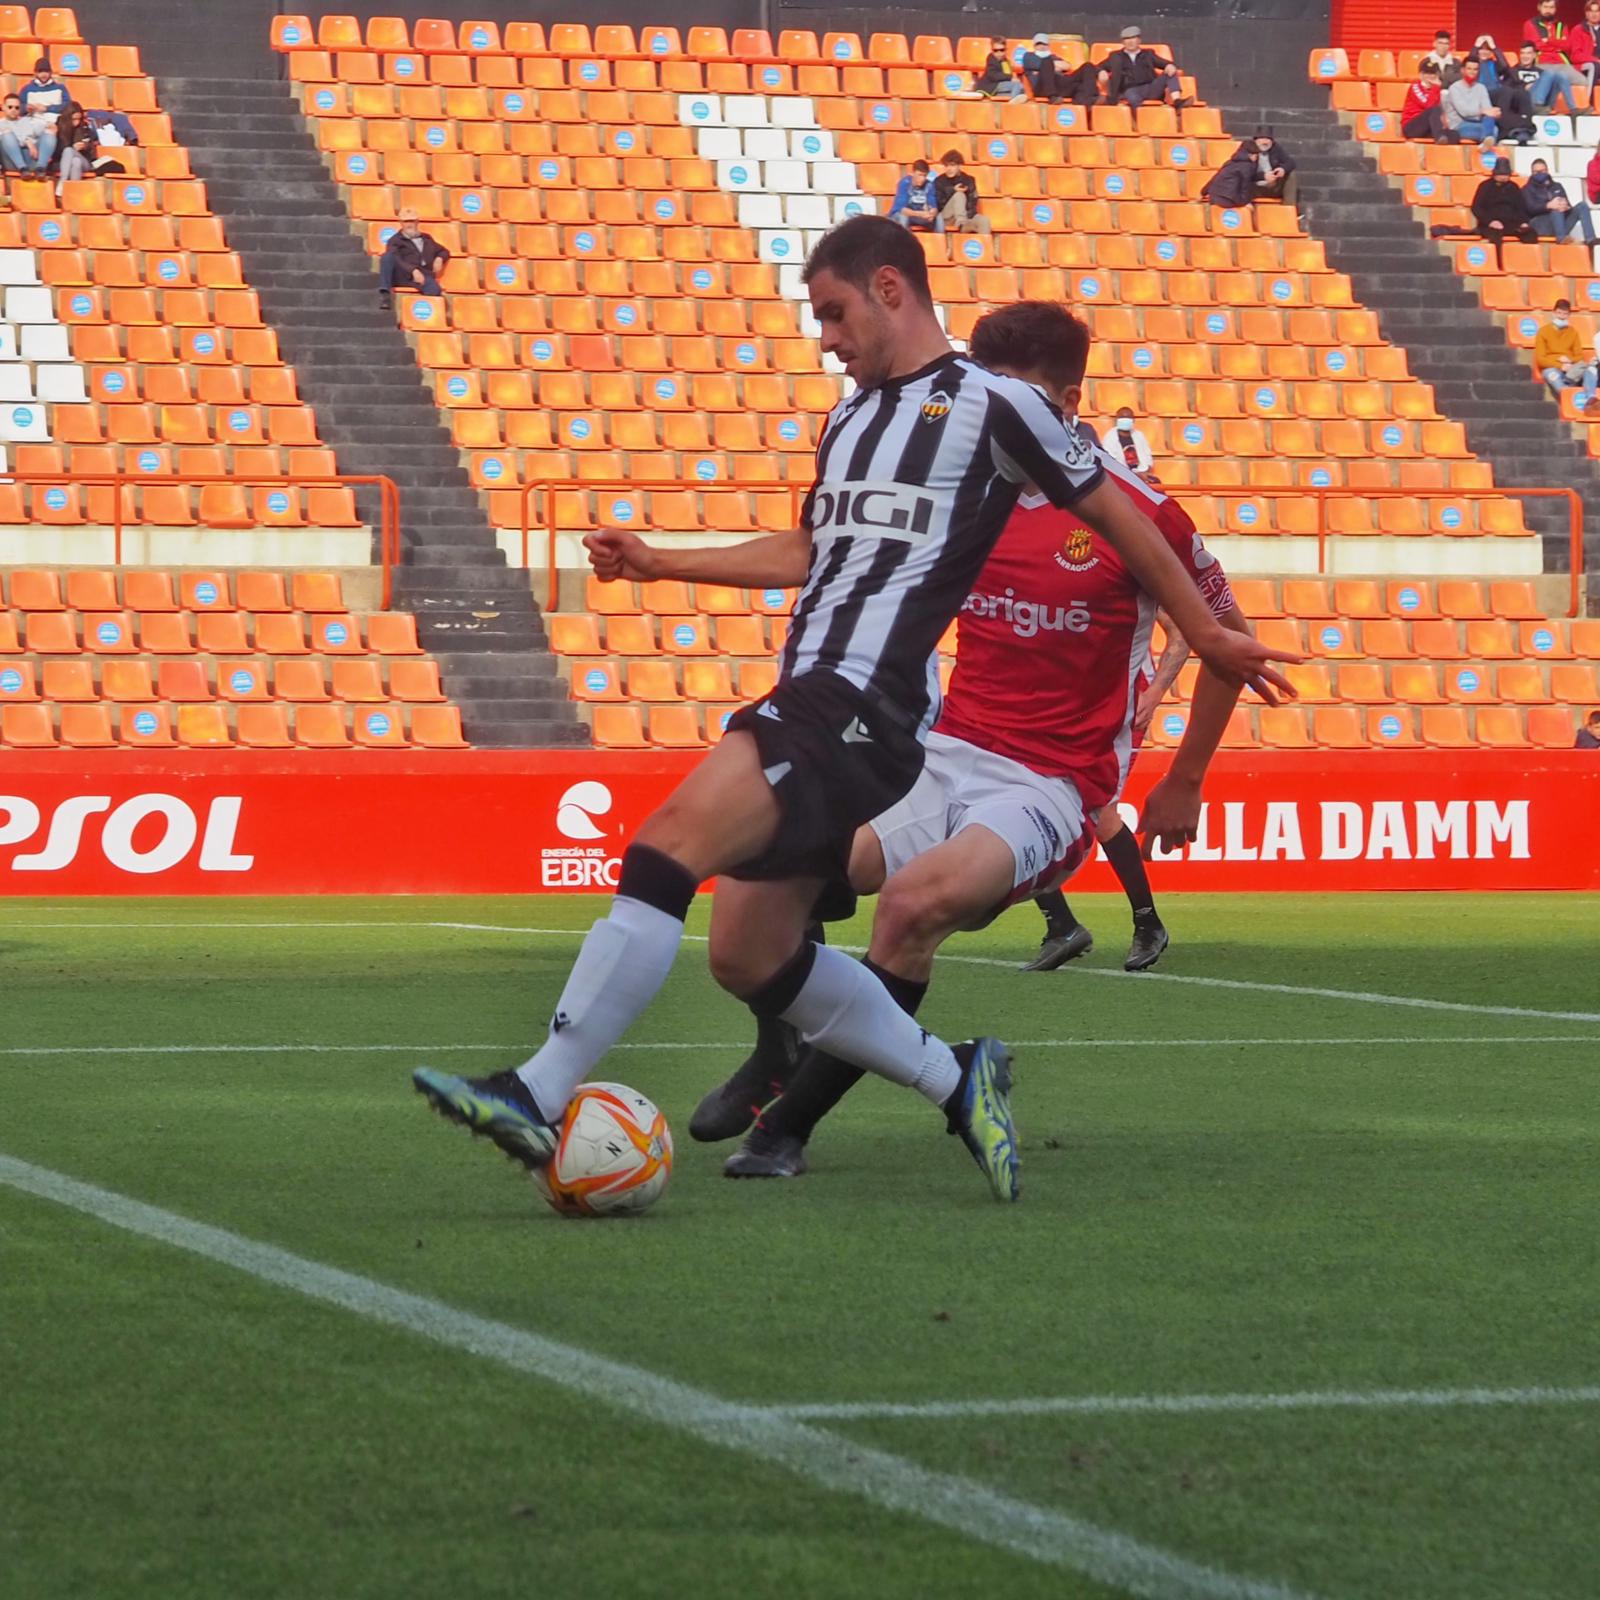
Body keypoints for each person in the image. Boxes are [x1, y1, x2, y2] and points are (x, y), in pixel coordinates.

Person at [410, 216, 1297, 1205]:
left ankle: (542, 1087)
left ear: (890, 290)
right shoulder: (850, 422)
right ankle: (956, 1079)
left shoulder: (996, 407)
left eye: (832, 314)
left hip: (868, 705)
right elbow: (807, 554)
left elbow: (1115, 513)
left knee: (666, 849)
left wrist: (1208, 644)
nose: (825, 338)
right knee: (747, 947)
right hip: (876, 717)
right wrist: (664, 560)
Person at [688, 303, 1254, 1173]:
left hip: (1049, 783)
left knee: (912, 907)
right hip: (938, 748)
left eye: (1023, 403)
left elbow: (1228, 639)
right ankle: (780, 1047)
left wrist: (1186, 779)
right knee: (777, 866)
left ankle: (786, 1128)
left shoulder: (1135, 513)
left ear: (1070, 402)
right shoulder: (954, 490)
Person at [378, 207, 449, 308]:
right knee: (387, 257)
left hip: (424, 274)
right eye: (406, 221)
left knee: (435, 290)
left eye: (411, 221)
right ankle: (385, 295)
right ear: (401, 223)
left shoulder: (426, 238)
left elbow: (444, 251)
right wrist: (412, 270)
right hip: (403, 275)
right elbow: (396, 258)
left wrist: (440, 258)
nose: (409, 224)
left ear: (417, 222)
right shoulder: (395, 240)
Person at [1099, 25, 1184, 109]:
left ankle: (1177, 102)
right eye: (1127, 39)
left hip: (1150, 88)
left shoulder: (1148, 54)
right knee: (1131, 95)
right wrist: (1101, 71)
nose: (1130, 41)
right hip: (1130, 89)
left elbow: (1165, 63)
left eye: (1133, 38)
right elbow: (1098, 67)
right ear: (1123, 42)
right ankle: (1141, 117)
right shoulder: (1115, 56)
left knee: (1170, 72)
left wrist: (1169, 65)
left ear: (1139, 40)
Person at [1472, 156, 1539, 263]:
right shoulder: (1485, 187)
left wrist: (1523, 222)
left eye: (1506, 174)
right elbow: (1476, 208)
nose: (1503, 177)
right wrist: (1490, 221)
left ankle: (1529, 263)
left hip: (1511, 223)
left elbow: (1521, 208)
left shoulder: (1514, 187)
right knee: (1495, 236)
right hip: (1490, 225)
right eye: (1501, 174)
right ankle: (1498, 264)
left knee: (1530, 233)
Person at [1533, 297, 1597, 400]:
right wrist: (1560, 365)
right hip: (1552, 367)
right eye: (1559, 313)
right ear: (1553, 313)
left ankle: (1591, 397)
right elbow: (1541, 359)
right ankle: (1568, 396)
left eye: (1565, 314)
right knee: (1551, 374)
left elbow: (1579, 356)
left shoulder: (1573, 332)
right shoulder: (1543, 331)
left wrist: (1569, 360)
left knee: (1591, 369)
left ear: (1569, 315)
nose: (1562, 317)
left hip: (1570, 367)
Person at [1525, 0, 1587, 101]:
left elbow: (1567, 46)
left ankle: (1579, 108)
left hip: (1561, 63)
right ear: (1539, 7)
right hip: (1541, 63)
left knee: (1583, 81)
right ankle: (1551, 106)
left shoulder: (1561, 25)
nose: (1548, 10)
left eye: (1551, 7)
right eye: (1545, 7)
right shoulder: (1530, 24)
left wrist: (1548, 41)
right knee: (1551, 80)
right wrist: (1558, 43)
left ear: (1555, 9)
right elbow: (1535, 46)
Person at [1525, 160, 1598, 242]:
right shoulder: (1527, 189)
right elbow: (1530, 208)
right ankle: (1561, 238)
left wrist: (1565, 206)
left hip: (1561, 223)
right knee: (1556, 209)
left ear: (1547, 171)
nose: (1539, 174)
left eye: (1542, 171)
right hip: (1541, 225)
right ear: (1531, 172)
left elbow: (1568, 205)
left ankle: (1590, 239)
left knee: (1582, 206)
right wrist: (1548, 205)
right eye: (1536, 172)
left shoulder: (1557, 186)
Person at [1443, 57, 1502, 146]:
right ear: (1463, 70)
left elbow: (1487, 109)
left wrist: (1494, 113)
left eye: (1475, 69)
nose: (1472, 72)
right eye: (1469, 69)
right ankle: (1487, 141)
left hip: (1478, 123)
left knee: (1492, 123)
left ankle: (1486, 142)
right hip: (1460, 125)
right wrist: (1483, 111)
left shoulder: (1481, 87)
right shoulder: (1455, 88)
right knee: (1493, 131)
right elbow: (1464, 112)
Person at [1227, 125, 1296, 200]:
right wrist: (1263, 176)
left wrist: (1283, 169)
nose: (1265, 142)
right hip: (1253, 188)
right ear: (1255, 140)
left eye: (1268, 139)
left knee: (1291, 174)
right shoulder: (1247, 148)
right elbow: (1238, 163)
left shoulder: (1275, 148)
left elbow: (1290, 162)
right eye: (1262, 138)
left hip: (1272, 186)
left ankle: (1289, 208)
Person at [1512, 38, 1578, 114]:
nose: (1525, 56)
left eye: (1528, 53)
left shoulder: (1540, 72)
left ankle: (1573, 109)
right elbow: (1508, 90)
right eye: (1522, 53)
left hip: (1546, 103)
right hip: (1527, 102)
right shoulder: (1513, 71)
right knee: (1549, 72)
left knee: (1561, 75)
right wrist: (1525, 86)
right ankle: (1537, 106)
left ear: (1534, 55)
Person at [931, 149, 990, 235]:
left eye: (952, 165)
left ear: (959, 166)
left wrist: (968, 216)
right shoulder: (939, 181)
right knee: (959, 195)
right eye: (946, 166)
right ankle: (962, 224)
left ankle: (984, 246)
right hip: (947, 217)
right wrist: (953, 190)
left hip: (967, 216)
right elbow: (938, 204)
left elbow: (972, 203)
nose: (949, 169)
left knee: (984, 221)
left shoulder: (969, 180)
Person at [0, 91, 55, 177]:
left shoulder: (27, 121)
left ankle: (41, 168)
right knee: (7, 134)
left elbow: (44, 130)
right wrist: (27, 141)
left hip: (31, 158)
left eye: (17, 107)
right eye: (10, 107)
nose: (13, 110)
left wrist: (50, 127)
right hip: (10, 161)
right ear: (3, 107)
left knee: (49, 133)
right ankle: (22, 168)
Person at [1101, 406, 1157, 479]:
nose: (1125, 420)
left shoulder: (1139, 435)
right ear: (1116, 419)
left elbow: (1147, 456)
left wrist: (1146, 471)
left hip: (1141, 472)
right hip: (1121, 476)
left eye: (1128, 418)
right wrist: (1135, 476)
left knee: (1155, 482)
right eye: (1122, 417)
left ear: (1133, 420)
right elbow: (1110, 463)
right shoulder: (1110, 437)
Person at [1402, 62, 1449, 141]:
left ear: (1437, 75)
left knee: (1454, 134)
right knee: (1435, 109)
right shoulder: (1415, 87)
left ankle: (1442, 138)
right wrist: (1436, 87)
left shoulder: (1436, 90)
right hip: (1411, 127)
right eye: (1427, 73)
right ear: (1421, 75)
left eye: (1432, 73)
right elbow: (1429, 106)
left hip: (1427, 127)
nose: (1430, 76)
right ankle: (1439, 137)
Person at [888, 158, 937, 230]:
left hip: (918, 216)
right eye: (920, 175)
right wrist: (920, 214)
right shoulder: (905, 183)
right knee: (904, 218)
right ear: (913, 173)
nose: (923, 178)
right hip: (899, 215)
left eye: (925, 175)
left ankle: (938, 239)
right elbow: (902, 210)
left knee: (938, 219)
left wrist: (932, 213)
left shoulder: (929, 185)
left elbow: (933, 205)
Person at [1572, 0, 1600, 92]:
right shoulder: (1578, 30)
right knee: (1595, 66)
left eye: (1597, 11)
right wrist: (1596, 60)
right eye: (1591, 11)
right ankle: (1589, 102)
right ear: (1586, 14)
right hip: (1586, 66)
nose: (1594, 14)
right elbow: (1575, 56)